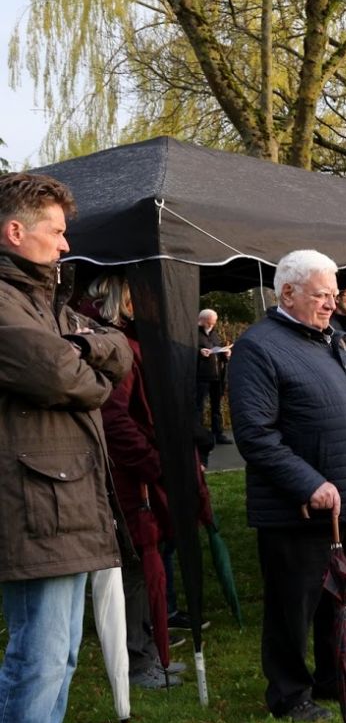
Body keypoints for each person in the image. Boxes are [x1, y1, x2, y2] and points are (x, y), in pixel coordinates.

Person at [228, 249, 346, 722]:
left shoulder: (332, 339)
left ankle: (338, 674)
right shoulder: (260, 347)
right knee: (293, 606)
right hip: (299, 506)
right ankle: (289, 693)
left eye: (334, 294)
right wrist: (307, 483)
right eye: (322, 295)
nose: (332, 303)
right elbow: (255, 434)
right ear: (287, 293)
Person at [0, 172, 132, 723]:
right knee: (40, 659)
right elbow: (58, 374)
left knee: (62, 657)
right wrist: (91, 370)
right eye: (55, 232)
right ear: (15, 231)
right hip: (36, 507)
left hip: (66, 503)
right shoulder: (5, 301)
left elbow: (120, 348)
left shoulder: (46, 303)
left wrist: (81, 349)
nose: (65, 244)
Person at [83, 274, 188, 690]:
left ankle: (147, 649)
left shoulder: (122, 338)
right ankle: (137, 658)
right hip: (124, 477)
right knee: (134, 568)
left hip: (133, 472)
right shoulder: (108, 342)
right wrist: (153, 463)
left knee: (145, 566)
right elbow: (115, 419)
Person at [197, 308, 232, 444]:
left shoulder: (214, 334)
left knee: (216, 407)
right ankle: (200, 437)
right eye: (209, 322)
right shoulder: (194, 334)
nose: (211, 325)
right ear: (201, 320)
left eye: (213, 322)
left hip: (217, 376)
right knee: (199, 407)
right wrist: (199, 352)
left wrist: (226, 354)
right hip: (201, 376)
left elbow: (219, 352)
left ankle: (218, 434)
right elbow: (186, 351)